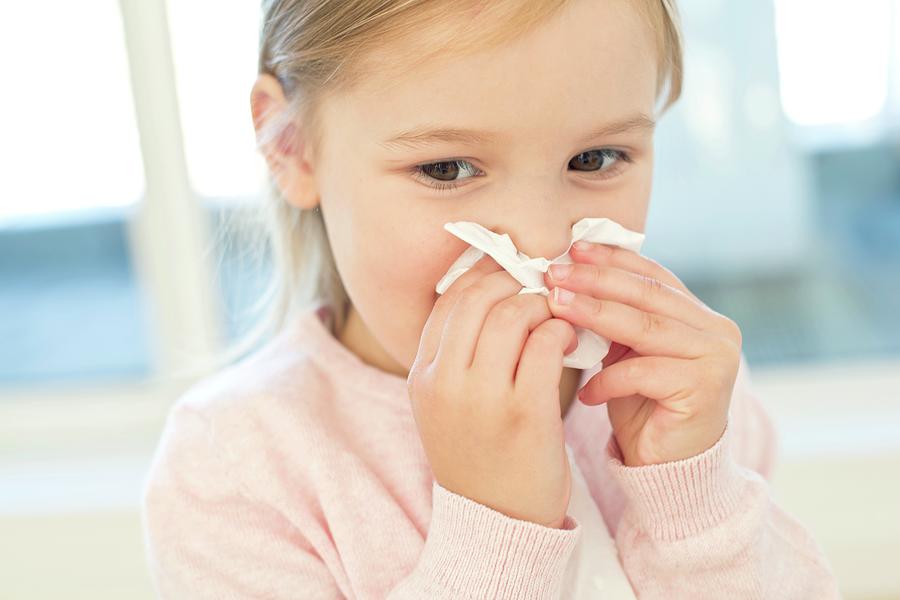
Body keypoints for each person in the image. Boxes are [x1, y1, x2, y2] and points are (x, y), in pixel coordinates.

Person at [141, 0, 842, 597]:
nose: (540, 240)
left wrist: (698, 501)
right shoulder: (236, 467)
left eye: (595, 160)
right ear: (292, 146)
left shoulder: (682, 393)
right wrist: (495, 529)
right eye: (447, 169)